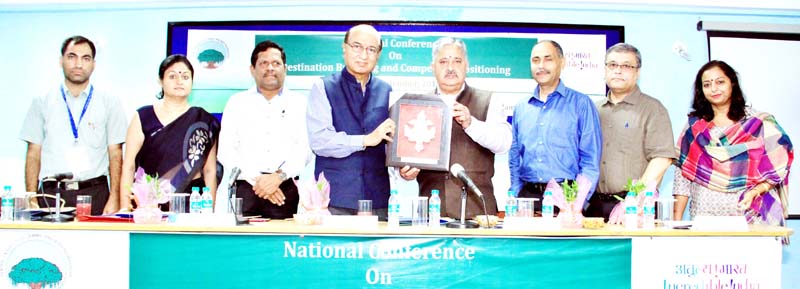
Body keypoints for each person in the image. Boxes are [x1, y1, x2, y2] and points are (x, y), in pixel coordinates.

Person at [397, 37, 512, 219]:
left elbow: (504, 143)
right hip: (432, 211)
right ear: (432, 67)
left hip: (479, 212)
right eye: (443, 61)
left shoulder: (488, 100)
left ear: (466, 65)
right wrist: (405, 172)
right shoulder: (417, 105)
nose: (450, 67)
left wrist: (471, 123)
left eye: (457, 61)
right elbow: (405, 155)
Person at [673, 60, 792, 226]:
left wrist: (756, 191)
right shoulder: (695, 127)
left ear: (732, 84)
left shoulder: (758, 123)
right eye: (707, 84)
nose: (713, 88)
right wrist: (676, 223)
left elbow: (780, 165)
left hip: (750, 215)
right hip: (705, 215)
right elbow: (682, 176)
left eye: (720, 82)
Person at [20, 35, 127, 215]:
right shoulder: (42, 101)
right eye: (72, 56)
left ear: (94, 64)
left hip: (95, 192)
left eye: (86, 58)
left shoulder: (110, 102)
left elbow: (116, 153)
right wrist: (31, 196)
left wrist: (114, 197)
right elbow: (33, 152)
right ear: (60, 61)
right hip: (52, 193)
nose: (78, 64)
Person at [306, 24, 395, 219]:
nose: (364, 55)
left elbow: (392, 144)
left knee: (377, 250)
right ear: (344, 48)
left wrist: (405, 164)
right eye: (357, 46)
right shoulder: (323, 87)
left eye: (371, 49)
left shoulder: (387, 91)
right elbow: (319, 141)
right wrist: (364, 140)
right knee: (331, 251)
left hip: (377, 199)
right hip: (333, 198)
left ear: (378, 55)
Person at [217, 40, 308, 219]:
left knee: (283, 245)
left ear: (285, 68)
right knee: (242, 246)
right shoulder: (237, 102)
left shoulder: (300, 103)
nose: (270, 68)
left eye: (276, 63)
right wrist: (258, 181)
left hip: (285, 189)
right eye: (263, 63)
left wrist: (277, 178)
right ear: (252, 69)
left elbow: (304, 149)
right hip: (246, 188)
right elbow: (226, 150)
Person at [509, 40, 602, 212]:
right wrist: (515, 192)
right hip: (527, 199)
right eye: (535, 60)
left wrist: (577, 202)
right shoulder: (522, 107)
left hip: (567, 199)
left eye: (548, 59)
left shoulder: (581, 104)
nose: (541, 65)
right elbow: (515, 155)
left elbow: (590, 159)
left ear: (562, 62)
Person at [586, 43, 676, 221]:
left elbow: (662, 159)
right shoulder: (593, 110)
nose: (618, 71)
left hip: (635, 207)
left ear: (638, 72)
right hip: (594, 206)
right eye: (612, 65)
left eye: (626, 66)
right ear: (604, 69)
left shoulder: (652, 109)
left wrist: (634, 199)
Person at [120, 54, 220, 210]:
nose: (179, 81)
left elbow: (210, 170)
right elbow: (128, 166)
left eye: (185, 77)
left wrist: (210, 209)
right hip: (148, 203)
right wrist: (125, 207)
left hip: (192, 201)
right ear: (161, 80)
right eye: (172, 76)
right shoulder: (143, 116)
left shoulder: (204, 121)